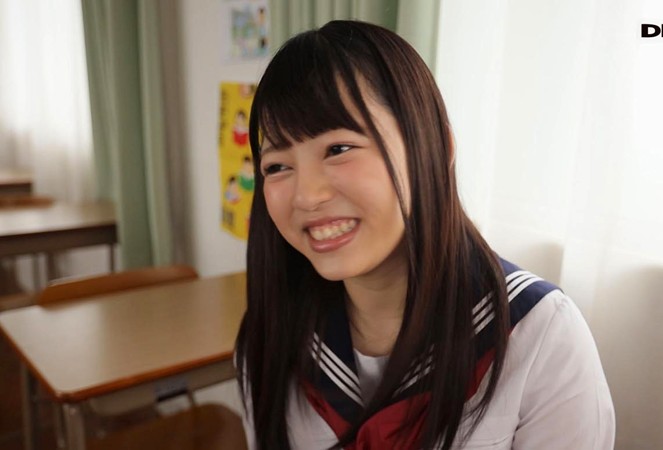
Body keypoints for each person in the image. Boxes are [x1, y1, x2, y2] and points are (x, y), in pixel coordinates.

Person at [235, 20, 615, 449]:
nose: (307, 196)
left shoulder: (538, 334)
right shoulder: (270, 335)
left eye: (338, 149)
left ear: (436, 147)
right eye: (277, 166)